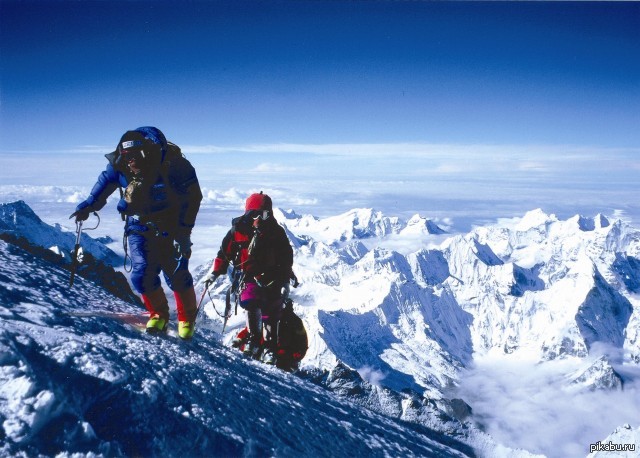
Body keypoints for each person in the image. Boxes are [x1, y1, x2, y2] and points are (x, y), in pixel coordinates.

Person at [70, 126, 203, 339]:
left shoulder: (174, 165)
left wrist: (184, 232)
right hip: (138, 226)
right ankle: (158, 314)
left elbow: (193, 197)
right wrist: (88, 206)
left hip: (172, 227)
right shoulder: (119, 166)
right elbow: (104, 184)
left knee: (177, 274)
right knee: (141, 274)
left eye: (136, 156)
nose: (131, 161)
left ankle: (186, 319)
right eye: (127, 156)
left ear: (148, 152)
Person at [204, 192, 294, 363]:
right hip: (249, 277)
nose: (258, 218)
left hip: (272, 277)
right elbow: (224, 253)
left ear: (270, 214)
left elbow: (286, 258)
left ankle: (269, 347)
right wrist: (215, 271)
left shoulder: (275, 233)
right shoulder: (238, 231)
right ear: (247, 214)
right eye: (254, 214)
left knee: (272, 311)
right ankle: (254, 339)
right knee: (251, 301)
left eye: (264, 214)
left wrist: (284, 279)